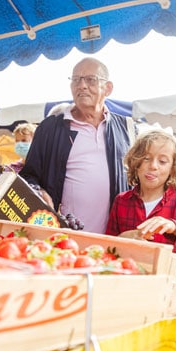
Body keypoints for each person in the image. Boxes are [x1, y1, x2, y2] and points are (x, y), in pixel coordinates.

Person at [20, 57, 135, 233]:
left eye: (90, 79)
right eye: (76, 80)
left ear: (108, 88)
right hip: (65, 236)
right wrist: (38, 191)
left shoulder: (126, 128)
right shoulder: (50, 128)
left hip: (114, 237)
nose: (81, 85)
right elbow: (28, 176)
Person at [106, 130, 176, 261]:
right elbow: (107, 247)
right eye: (146, 158)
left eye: (162, 161)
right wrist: (122, 239)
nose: (153, 166)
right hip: (130, 275)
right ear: (136, 162)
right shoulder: (121, 201)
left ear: (173, 168)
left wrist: (174, 227)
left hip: (166, 277)